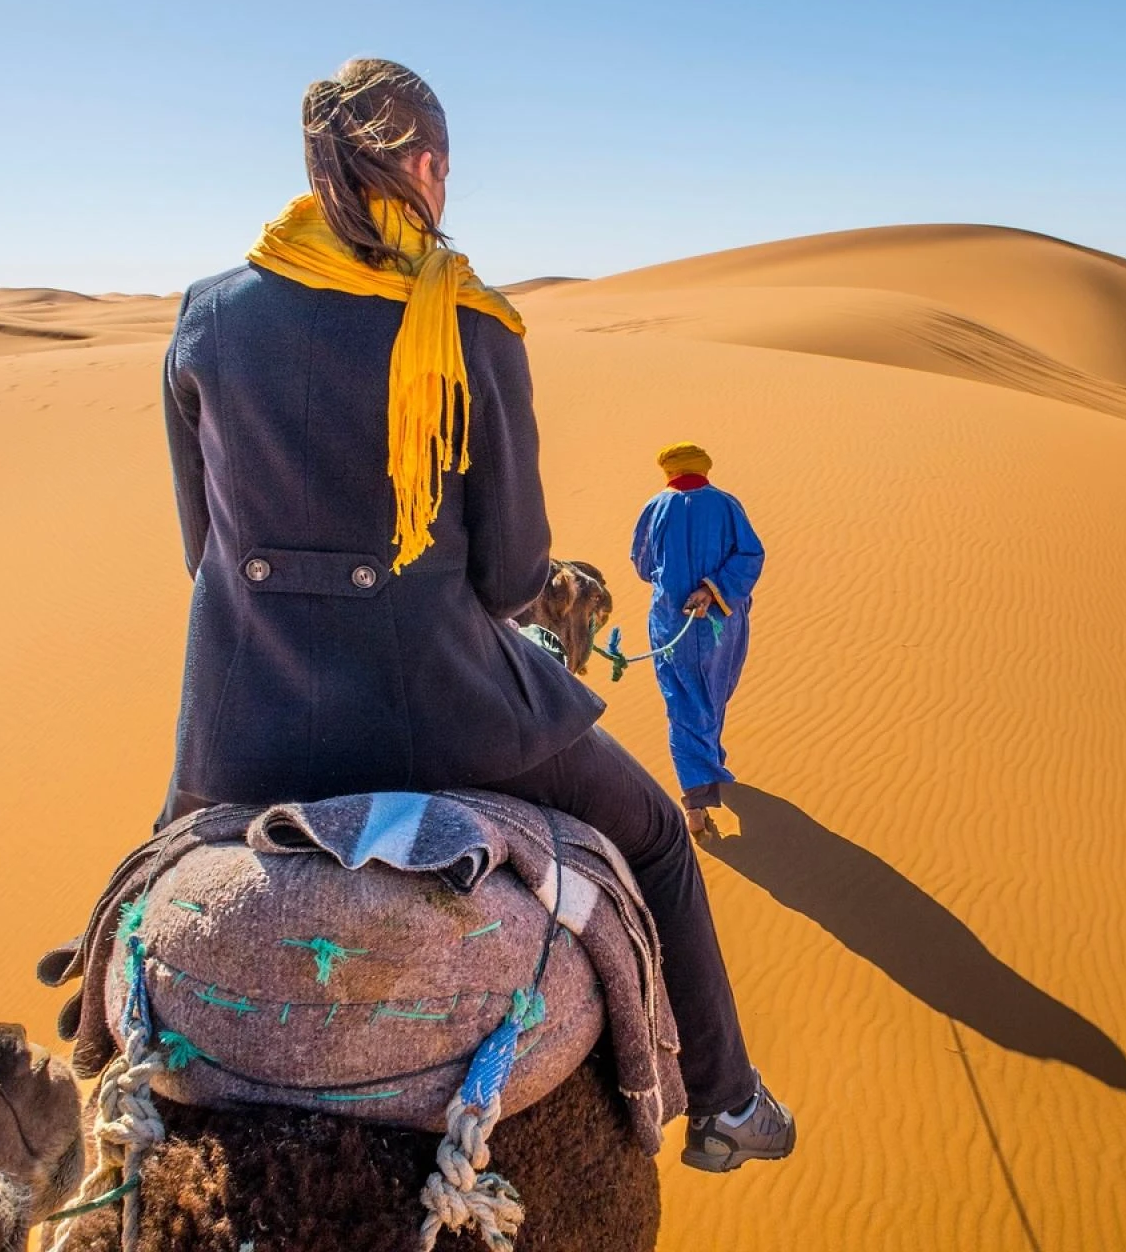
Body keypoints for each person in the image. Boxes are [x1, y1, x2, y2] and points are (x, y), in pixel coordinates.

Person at [156, 59, 792, 1172]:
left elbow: (199, 551)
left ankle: (90, 1029)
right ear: (429, 167)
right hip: (442, 715)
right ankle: (729, 1098)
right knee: (652, 835)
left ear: (316, 168)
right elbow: (508, 578)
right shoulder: (472, 324)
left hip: (244, 727)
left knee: (144, 880)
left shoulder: (206, 320)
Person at [631, 443, 765, 836]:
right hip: (719, 626)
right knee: (710, 696)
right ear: (705, 468)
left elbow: (641, 563)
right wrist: (713, 588)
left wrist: (676, 583)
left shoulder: (655, 508)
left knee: (683, 704)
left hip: (671, 624)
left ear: (668, 471)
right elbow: (751, 554)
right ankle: (696, 801)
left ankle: (701, 786)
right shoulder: (726, 505)